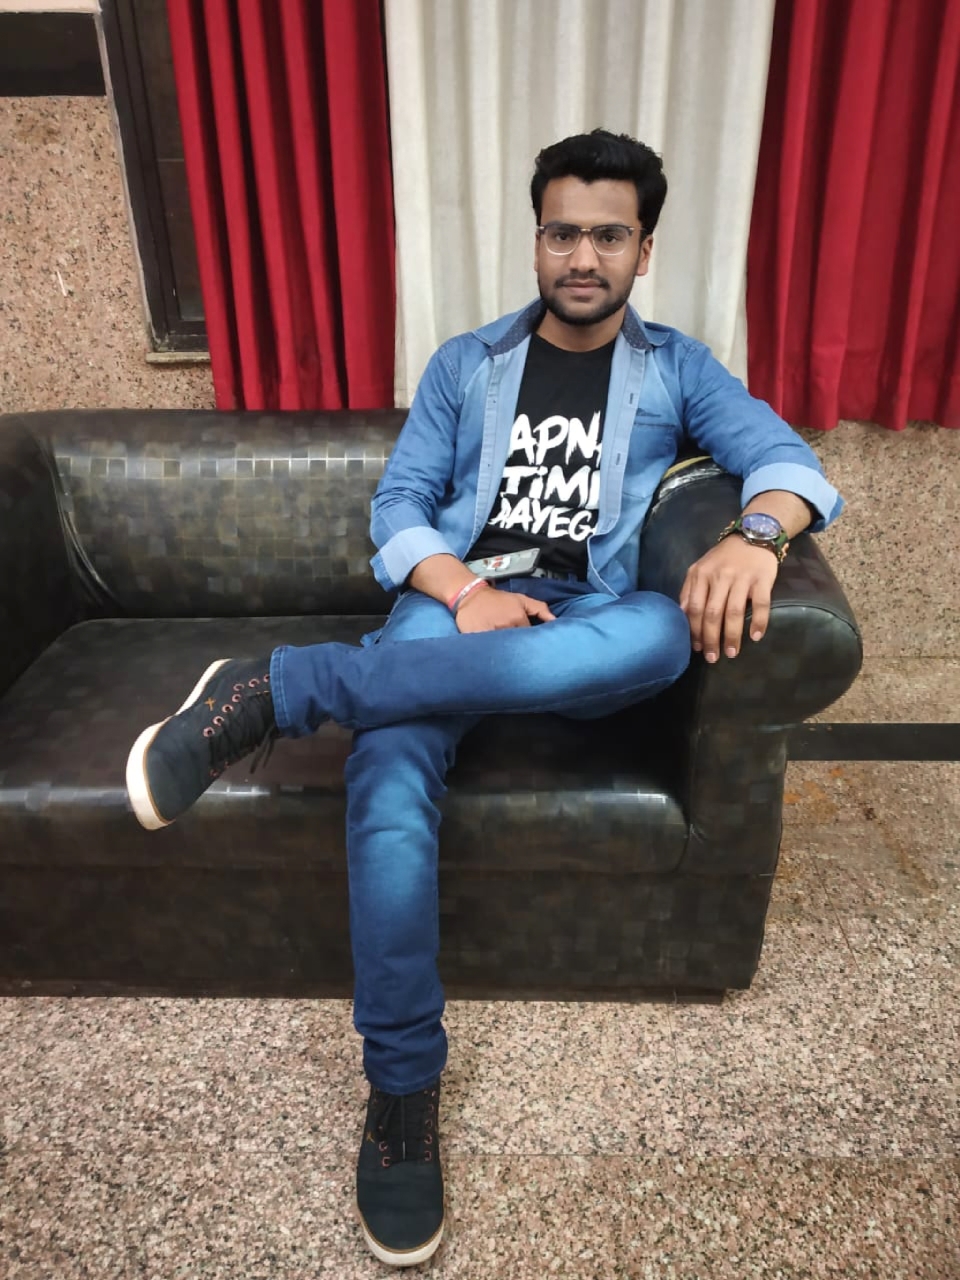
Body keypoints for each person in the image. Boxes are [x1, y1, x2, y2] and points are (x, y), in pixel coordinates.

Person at [125, 130, 842, 1268]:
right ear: (537, 238)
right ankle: (403, 1091)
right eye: (563, 232)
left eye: (609, 235)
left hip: (585, 623)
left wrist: (756, 536)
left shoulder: (679, 368)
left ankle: (291, 686)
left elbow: (788, 461)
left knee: (664, 632)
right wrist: (464, 591)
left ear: (644, 249)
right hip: (453, 611)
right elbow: (400, 507)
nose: (583, 257)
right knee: (387, 770)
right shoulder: (467, 363)